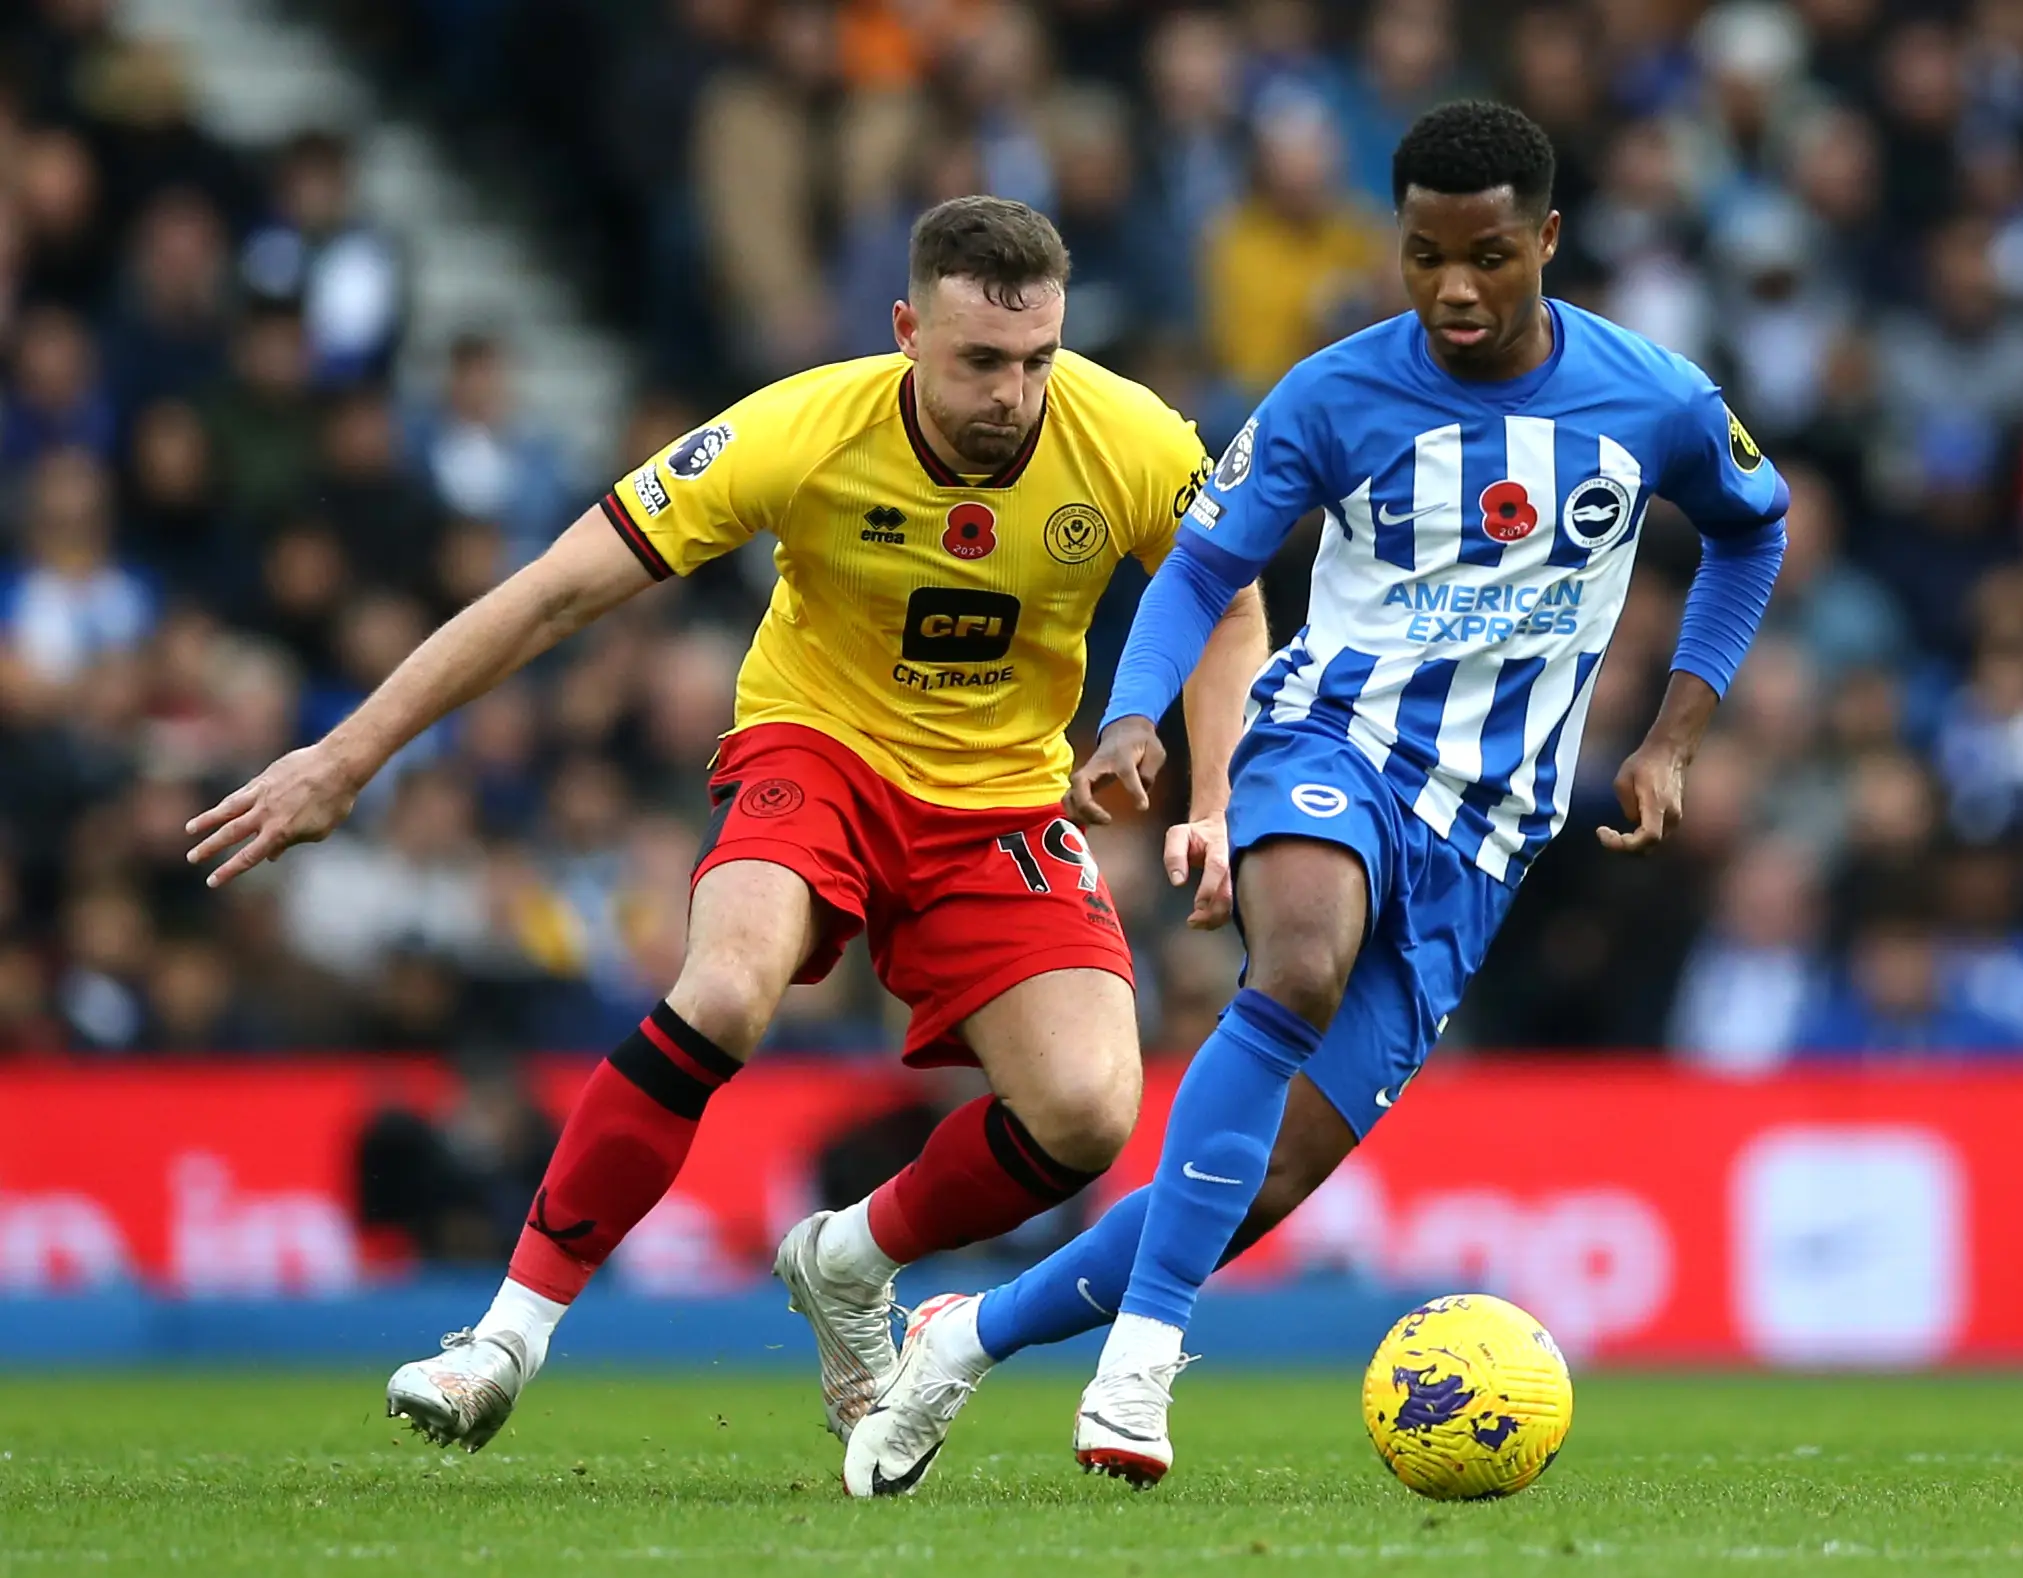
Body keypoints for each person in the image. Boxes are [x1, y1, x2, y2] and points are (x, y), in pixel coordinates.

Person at [183, 197, 1269, 1451]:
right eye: (980, 360)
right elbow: (554, 594)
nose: (1012, 396)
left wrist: (1214, 797)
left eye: (1036, 361)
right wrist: (345, 757)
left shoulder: (1131, 437)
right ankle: (503, 1340)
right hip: (819, 753)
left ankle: (850, 1259)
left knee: (1088, 1113)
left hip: (1002, 798)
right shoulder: (797, 430)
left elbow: (1229, 604)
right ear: (907, 331)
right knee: (728, 988)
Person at [842, 102, 1789, 1496]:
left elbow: (1753, 530)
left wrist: (1672, 739)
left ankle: (966, 1336)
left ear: (1546, 240)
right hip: (1328, 742)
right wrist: (1134, 714)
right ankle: (1142, 1359)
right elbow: (1202, 567)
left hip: (1488, 836)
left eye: (1486, 258)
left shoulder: (1655, 399)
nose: (1452, 289)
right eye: (1422, 255)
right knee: (1295, 964)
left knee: (1261, 1183)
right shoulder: (1331, 395)